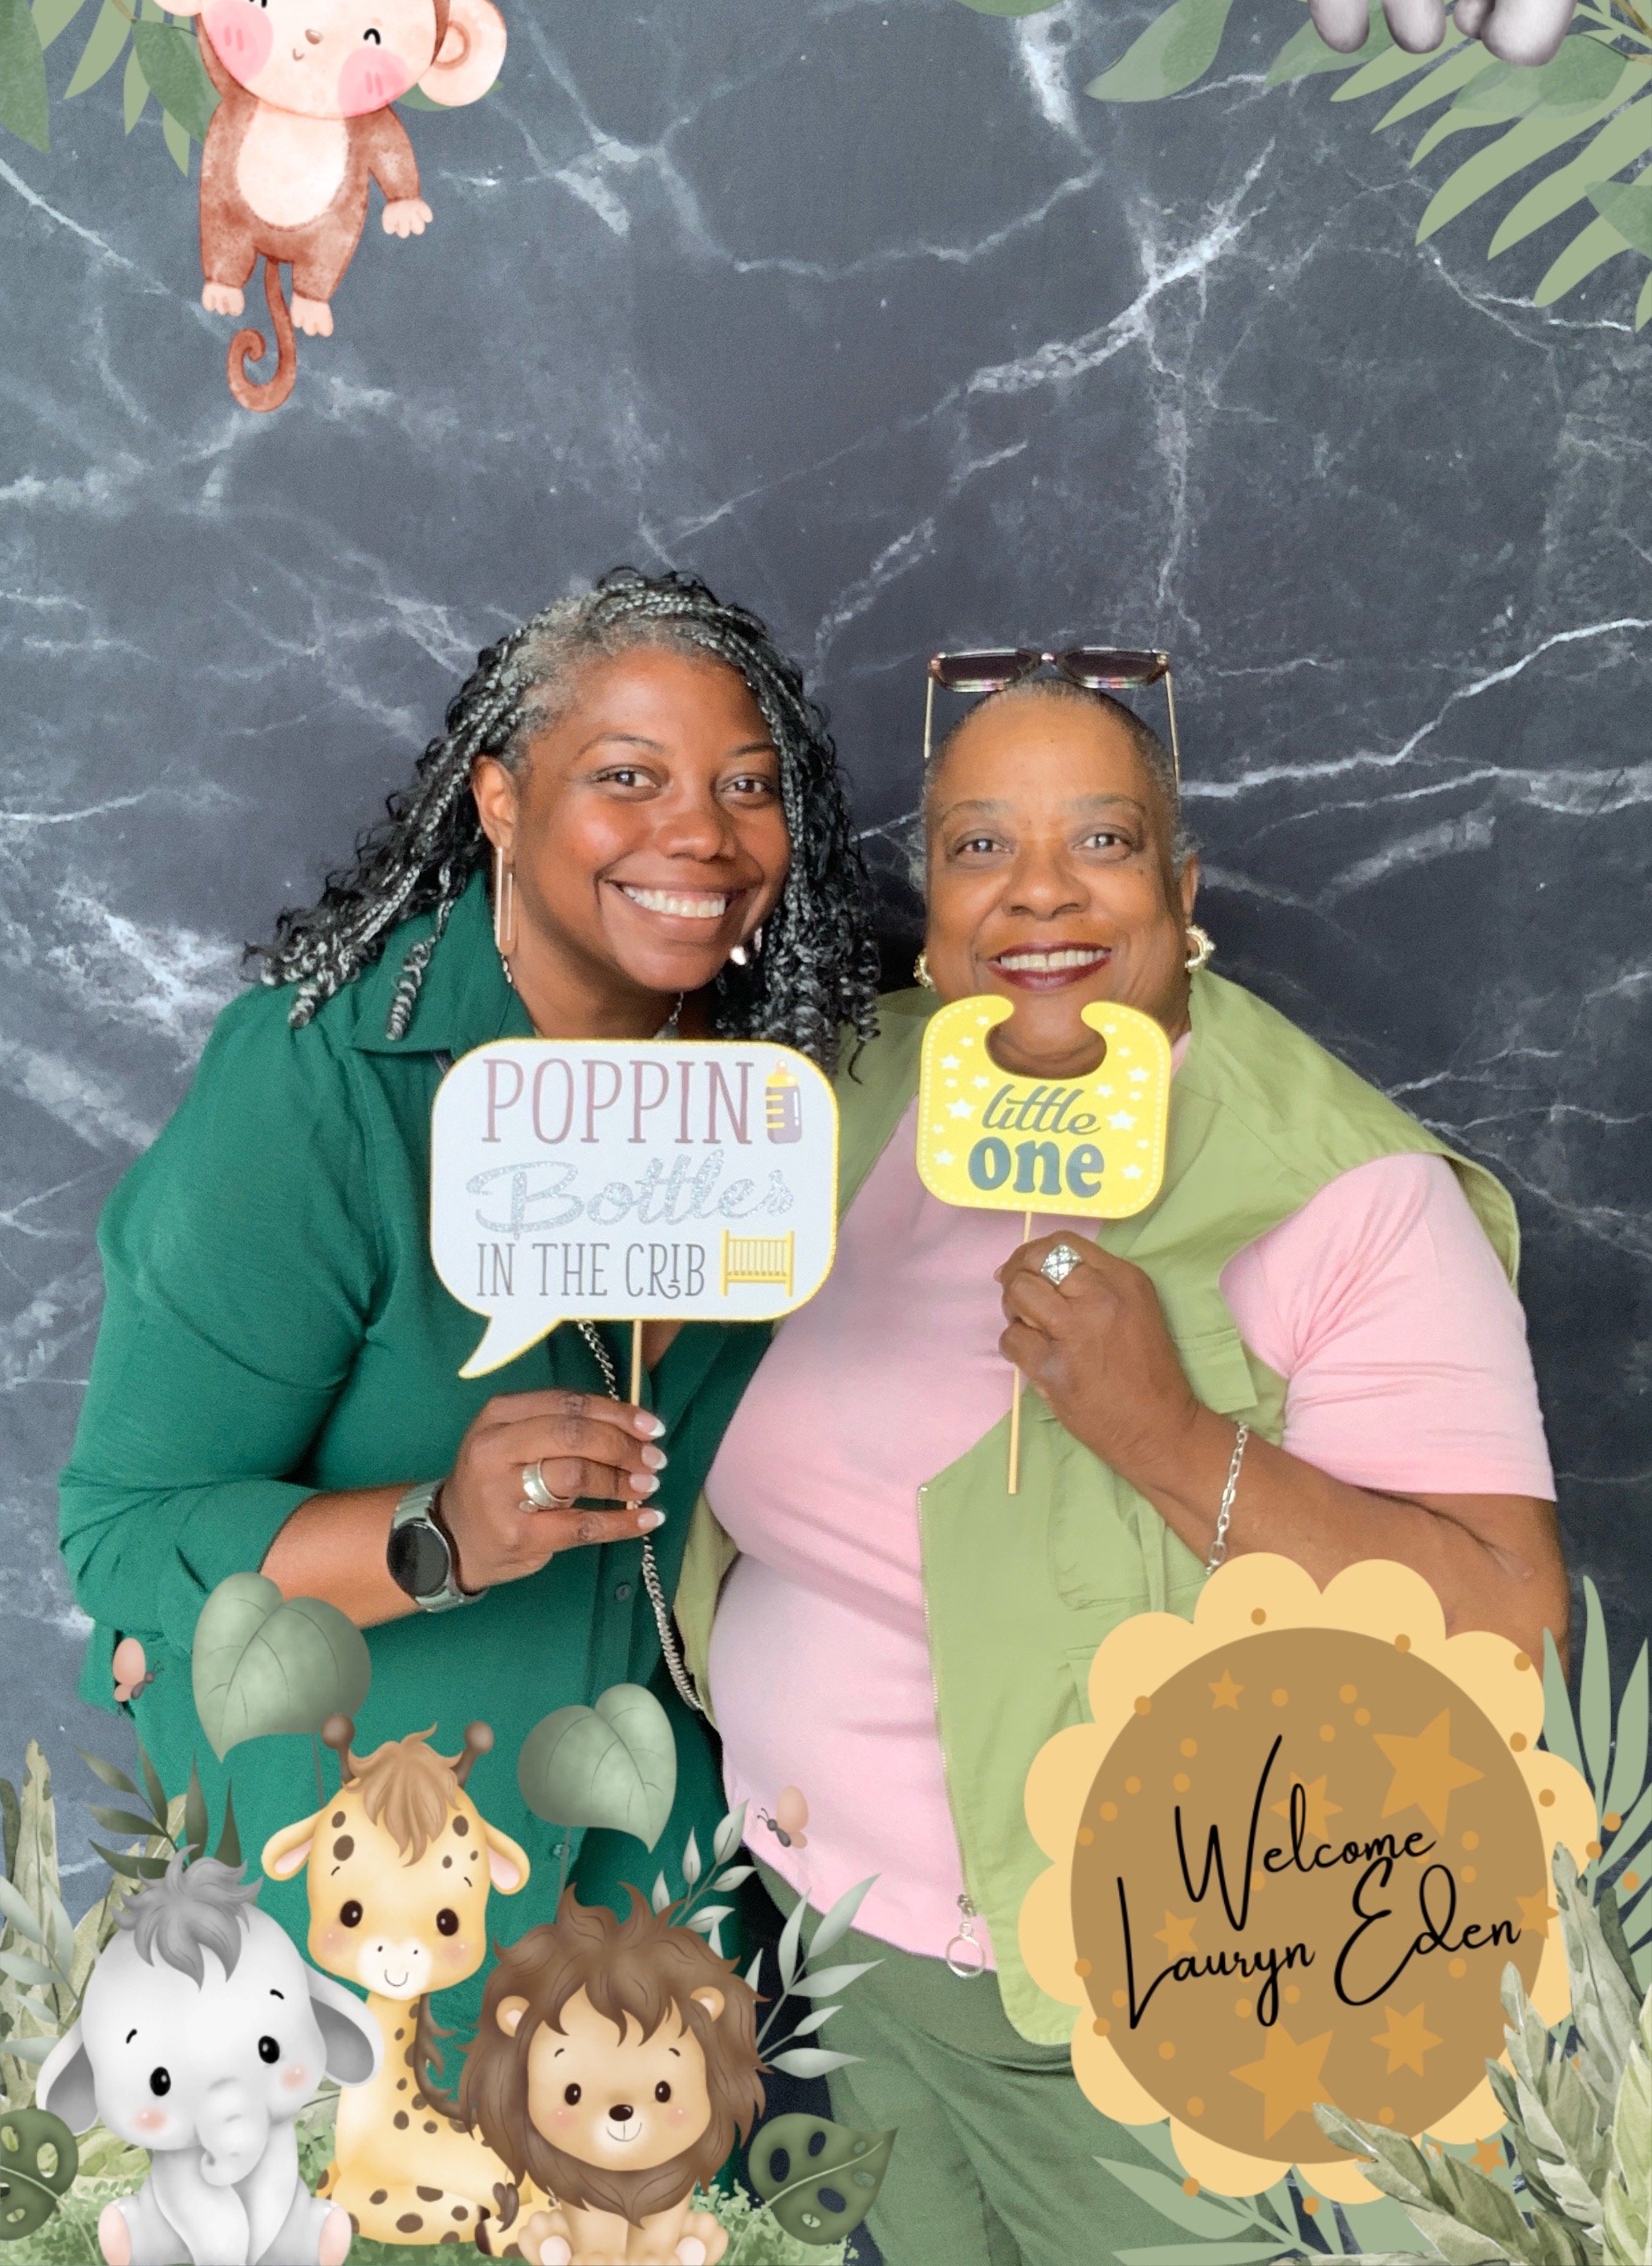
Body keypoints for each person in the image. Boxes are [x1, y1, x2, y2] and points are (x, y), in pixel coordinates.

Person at [671, 666, 1566, 2266]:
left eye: (1101, 837)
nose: (1038, 893)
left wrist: (1167, 1436)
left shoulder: (1351, 1198)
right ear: (931, 904)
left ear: (1184, 887)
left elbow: (1506, 1624)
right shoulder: (848, 1085)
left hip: (1128, 2006)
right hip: (822, 1942)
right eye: (978, 847)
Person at [58, 568, 879, 2067]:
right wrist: (434, 1533)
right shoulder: (318, 1091)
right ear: (497, 800)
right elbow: (124, 1532)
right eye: (625, 779)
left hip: (660, 1853)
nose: (698, 832)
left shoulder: (800, 1086)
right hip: (360, 1872)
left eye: (747, 787)